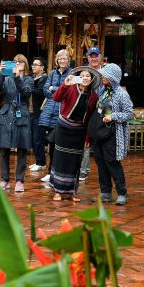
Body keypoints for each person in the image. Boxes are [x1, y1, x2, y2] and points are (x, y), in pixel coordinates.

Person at [48, 69, 98, 201]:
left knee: (75, 161)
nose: (85, 78)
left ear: (92, 79)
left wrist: (88, 136)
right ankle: (57, 191)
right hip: (63, 128)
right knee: (60, 159)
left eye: (87, 76)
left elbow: (90, 119)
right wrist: (65, 84)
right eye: (82, 76)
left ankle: (72, 191)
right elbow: (56, 97)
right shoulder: (70, 88)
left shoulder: (93, 96)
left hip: (79, 132)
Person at [91, 63, 133, 205]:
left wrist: (113, 116)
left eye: (105, 75)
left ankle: (121, 192)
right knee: (100, 161)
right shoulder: (102, 90)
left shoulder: (121, 93)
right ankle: (105, 192)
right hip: (100, 131)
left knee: (112, 162)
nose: (102, 77)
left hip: (113, 133)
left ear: (112, 77)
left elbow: (129, 113)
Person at [0, 54, 33, 192]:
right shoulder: (7, 78)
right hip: (6, 113)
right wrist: (1, 74)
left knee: (22, 149)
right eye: (15, 61)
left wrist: (16, 77)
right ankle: (4, 179)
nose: (18, 63)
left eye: (21, 61)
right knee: (4, 148)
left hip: (22, 114)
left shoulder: (28, 79)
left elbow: (26, 92)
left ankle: (20, 180)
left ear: (25, 64)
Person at [38, 49, 72, 183]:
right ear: (57, 60)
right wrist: (57, 90)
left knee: (59, 143)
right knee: (51, 142)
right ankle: (50, 171)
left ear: (68, 60)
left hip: (63, 112)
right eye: (60, 59)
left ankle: (58, 171)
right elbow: (45, 91)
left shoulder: (72, 73)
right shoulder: (52, 73)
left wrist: (55, 88)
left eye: (64, 58)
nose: (62, 61)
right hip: (50, 112)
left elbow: (69, 91)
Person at [79, 46, 105, 182]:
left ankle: (103, 172)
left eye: (96, 55)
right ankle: (83, 170)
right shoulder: (83, 73)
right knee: (85, 141)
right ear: (87, 57)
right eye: (91, 56)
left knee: (101, 142)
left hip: (103, 113)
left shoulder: (106, 73)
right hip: (86, 111)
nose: (94, 58)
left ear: (100, 57)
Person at [28, 57, 48, 172]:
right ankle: (37, 161)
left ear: (42, 67)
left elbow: (41, 92)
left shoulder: (44, 79)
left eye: (36, 64)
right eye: (32, 64)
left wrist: (30, 87)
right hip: (32, 112)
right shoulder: (33, 78)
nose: (33, 66)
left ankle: (41, 162)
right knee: (33, 138)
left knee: (38, 138)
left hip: (40, 113)